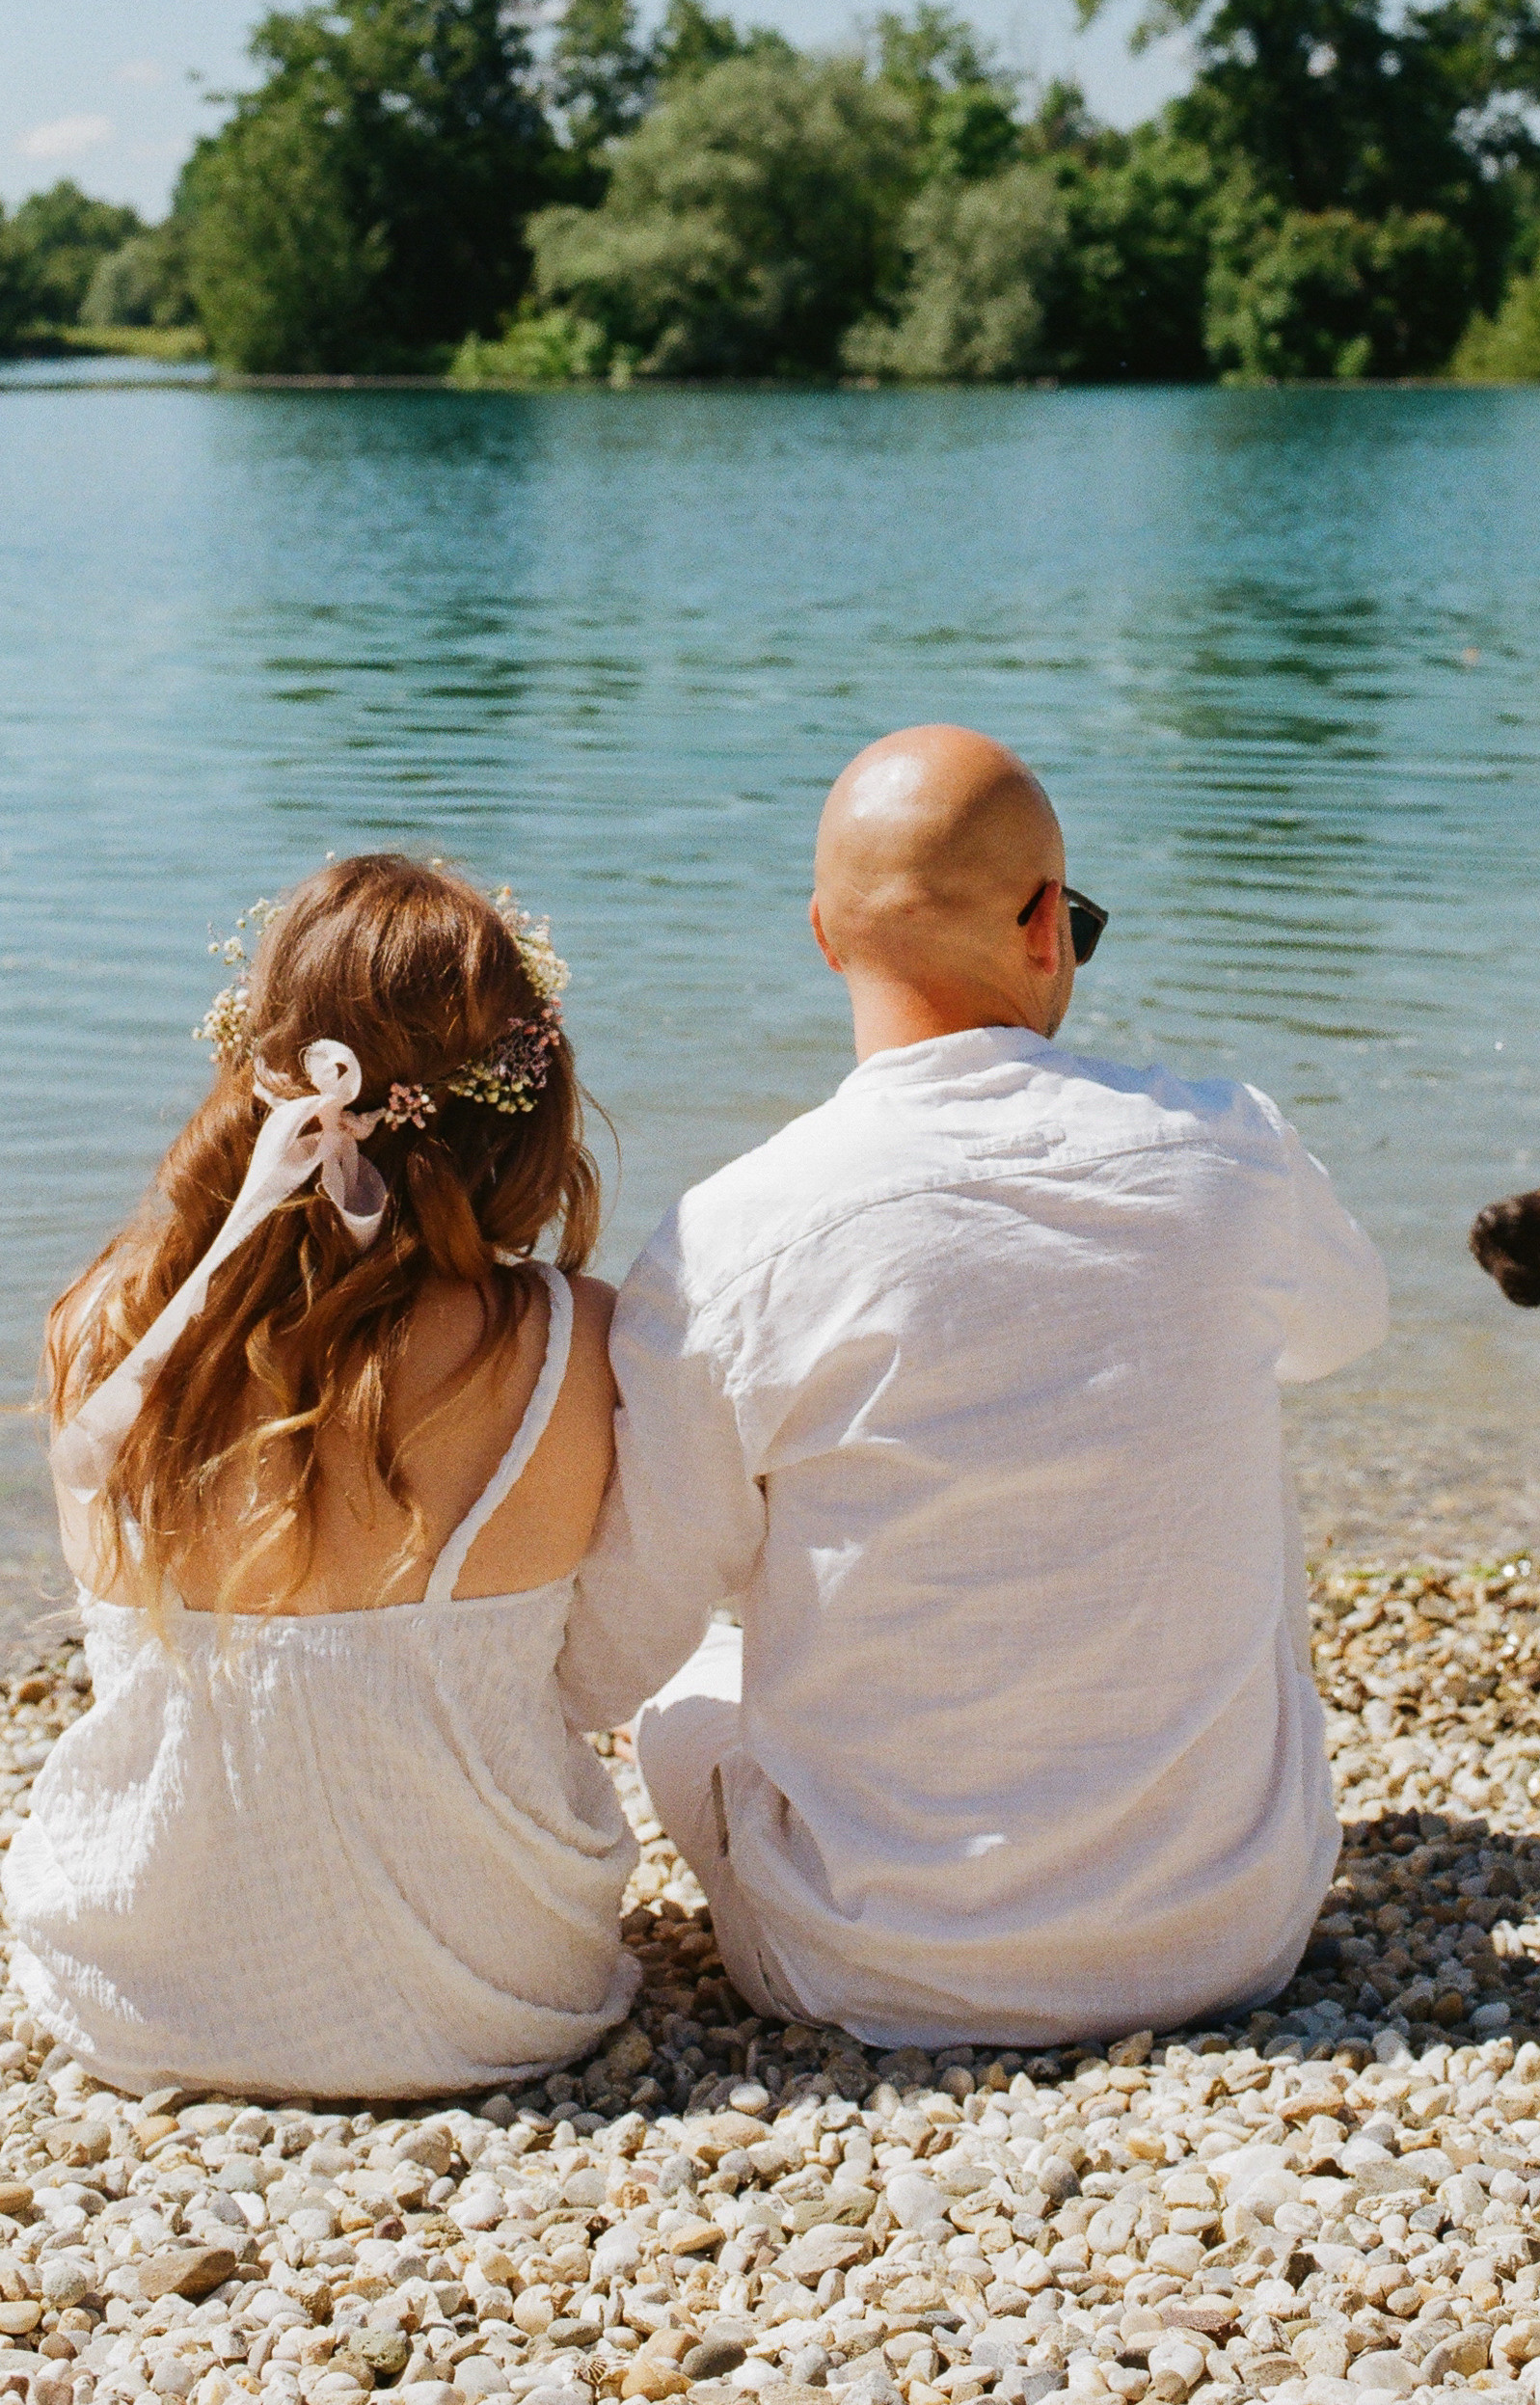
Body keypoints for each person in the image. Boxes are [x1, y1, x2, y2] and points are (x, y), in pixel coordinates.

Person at [566, 726, 1388, 2048]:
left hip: (865, 1968)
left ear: (824, 939)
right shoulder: (1231, 1149)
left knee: (692, 1684)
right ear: (1048, 924)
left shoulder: (735, 1236)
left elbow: (612, 1642)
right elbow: (1341, 1330)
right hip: (1231, 1936)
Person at [10, 855, 637, 2100]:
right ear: (518, 1098)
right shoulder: (579, 1350)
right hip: (502, 1989)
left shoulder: (105, 1339)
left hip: (144, 1988)